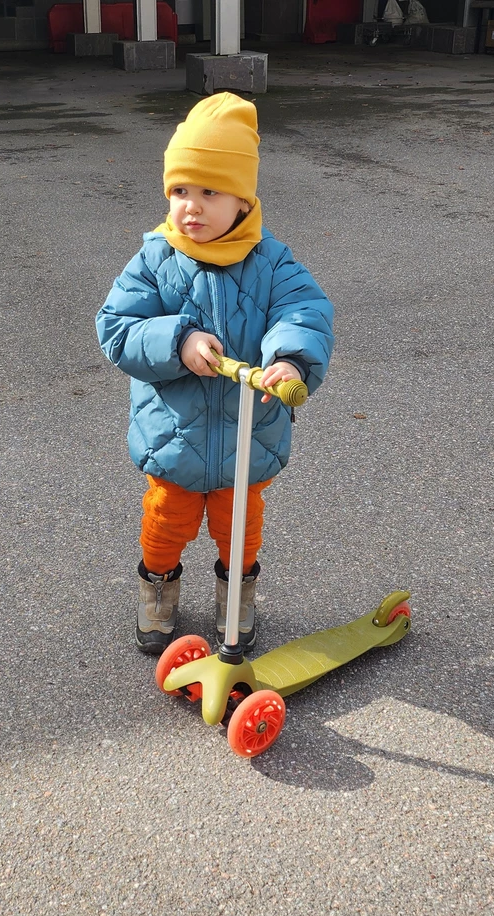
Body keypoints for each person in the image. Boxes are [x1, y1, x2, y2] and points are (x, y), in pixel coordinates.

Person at [96, 92, 334, 655]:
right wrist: (177, 340)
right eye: (180, 190)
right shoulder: (154, 259)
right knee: (166, 521)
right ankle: (157, 587)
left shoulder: (272, 262)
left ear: (244, 201)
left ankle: (237, 595)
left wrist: (287, 359)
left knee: (240, 527)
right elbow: (117, 328)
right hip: (172, 437)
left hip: (247, 437)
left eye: (209, 191)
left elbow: (304, 312)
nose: (190, 207)